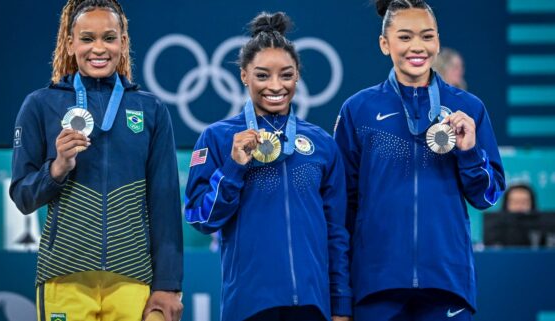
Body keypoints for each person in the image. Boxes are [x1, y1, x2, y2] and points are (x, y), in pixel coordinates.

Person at [9, 1, 183, 320]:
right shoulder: (40, 104)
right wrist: (57, 168)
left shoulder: (151, 110)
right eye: (87, 38)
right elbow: (22, 196)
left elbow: (165, 204)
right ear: (71, 43)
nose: (98, 48)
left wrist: (169, 285)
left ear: (123, 43)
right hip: (65, 274)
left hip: (132, 277)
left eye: (109, 37)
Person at [333, 0, 505, 320]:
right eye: (405, 37)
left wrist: (469, 152)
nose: (417, 47)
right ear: (385, 44)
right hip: (376, 283)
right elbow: (342, 207)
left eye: (427, 37)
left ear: (438, 42)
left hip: (446, 282)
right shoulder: (359, 110)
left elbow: (487, 195)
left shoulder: (468, 108)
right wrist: (341, 292)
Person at [184, 12, 352, 321]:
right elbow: (199, 217)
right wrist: (233, 168)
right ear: (244, 75)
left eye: (286, 75)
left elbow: (336, 232)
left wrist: (340, 303)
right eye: (262, 75)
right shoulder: (218, 138)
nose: (275, 86)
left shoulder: (322, 144)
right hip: (249, 306)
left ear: (297, 75)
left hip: (313, 306)